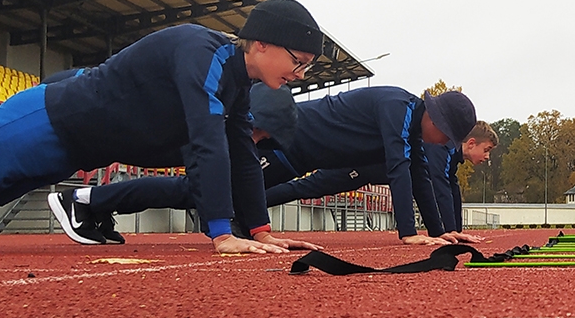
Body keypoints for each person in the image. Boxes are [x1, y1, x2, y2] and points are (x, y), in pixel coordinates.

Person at [0, 0, 323, 255]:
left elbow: (243, 153)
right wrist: (221, 233)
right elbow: (207, 143)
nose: (300, 75)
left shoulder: (238, 86)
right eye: (299, 62)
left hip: (72, 150)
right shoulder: (203, 53)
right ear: (263, 43)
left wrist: (260, 230)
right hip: (48, 119)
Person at [69, 84, 477, 245]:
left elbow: (420, 175)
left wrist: (442, 234)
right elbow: (398, 171)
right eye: (446, 134)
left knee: (215, 201)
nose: (445, 143)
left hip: (292, 160)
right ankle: (89, 199)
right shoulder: (397, 107)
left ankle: (98, 204)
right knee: (196, 191)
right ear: (434, 118)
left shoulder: (412, 128)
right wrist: (409, 234)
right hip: (278, 145)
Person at [425, 120, 497, 240]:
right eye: (486, 150)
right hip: (390, 165)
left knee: (453, 185)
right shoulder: (443, 148)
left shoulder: (454, 155)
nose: (487, 156)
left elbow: (453, 189)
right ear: (471, 144)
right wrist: (451, 230)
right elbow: (441, 188)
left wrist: (457, 231)